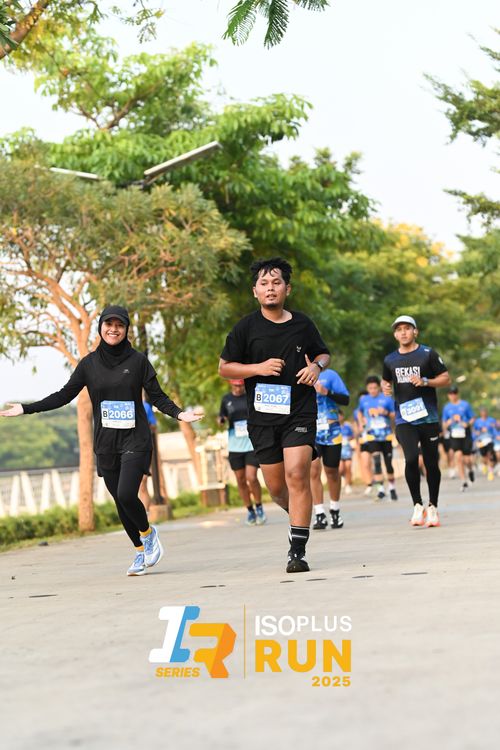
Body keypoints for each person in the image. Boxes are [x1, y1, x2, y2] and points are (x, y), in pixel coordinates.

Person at [0, 305, 203, 576]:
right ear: (101, 327)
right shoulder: (89, 364)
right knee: (120, 502)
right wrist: (26, 408)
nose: (113, 329)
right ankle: (139, 552)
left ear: (126, 329)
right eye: (109, 324)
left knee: (126, 493)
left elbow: (157, 396)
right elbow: (63, 396)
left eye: (119, 325)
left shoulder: (138, 361)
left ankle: (148, 534)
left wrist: (179, 414)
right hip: (106, 444)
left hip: (135, 439)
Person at [219, 258, 330, 573]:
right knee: (278, 489)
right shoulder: (245, 328)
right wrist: (258, 368)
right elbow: (224, 367)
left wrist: (316, 367)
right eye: (264, 284)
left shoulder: (303, 324)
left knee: (297, 474)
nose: (271, 289)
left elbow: (323, 354)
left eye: (276, 283)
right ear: (255, 291)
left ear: (287, 289)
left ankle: (297, 551)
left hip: (299, 411)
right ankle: (298, 517)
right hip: (262, 419)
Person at [381, 315, 451, 528]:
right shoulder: (390, 359)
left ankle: (433, 506)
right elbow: (385, 380)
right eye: (399, 329)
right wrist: (385, 388)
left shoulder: (428, 354)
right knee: (411, 458)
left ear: (415, 331)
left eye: (407, 328)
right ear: (395, 334)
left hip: (428, 417)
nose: (403, 332)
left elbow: (446, 379)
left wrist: (426, 381)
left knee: (431, 463)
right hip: (404, 418)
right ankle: (417, 505)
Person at [218, 379, 265, 525]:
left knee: (251, 477)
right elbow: (221, 416)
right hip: (235, 445)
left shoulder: (250, 395)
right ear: (231, 385)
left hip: (251, 444)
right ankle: (250, 510)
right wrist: (220, 420)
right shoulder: (226, 399)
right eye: (236, 386)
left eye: (241, 385)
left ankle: (259, 506)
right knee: (240, 479)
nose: (238, 388)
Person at [310, 368, 350, 530]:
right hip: (310, 431)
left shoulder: (330, 375)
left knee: (332, 472)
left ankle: (335, 510)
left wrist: (326, 391)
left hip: (331, 431)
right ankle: (319, 513)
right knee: (313, 470)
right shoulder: (300, 374)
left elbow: (345, 400)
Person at [357, 375, 398, 501]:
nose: (373, 390)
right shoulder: (364, 400)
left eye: (375, 388)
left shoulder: (386, 398)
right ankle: (380, 489)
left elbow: (395, 414)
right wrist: (361, 423)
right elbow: (359, 412)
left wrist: (385, 412)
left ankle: (392, 487)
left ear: (379, 388)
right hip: (372, 435)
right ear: (367, 388)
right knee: (376, 461)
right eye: (370, 388)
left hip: (386, 435)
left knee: (388, 463)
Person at [442, 386, 475, 492]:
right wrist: (447, 424)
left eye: (454, 393)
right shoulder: (447, 407)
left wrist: (467, 424)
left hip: (465, 434)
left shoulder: (465, 405)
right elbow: (444, 422)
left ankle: (470, 470)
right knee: (458, 456)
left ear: (457, 394)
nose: (453, 395)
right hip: (454, 434)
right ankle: (463, 481)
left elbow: (473, 418)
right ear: (448, 395)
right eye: (451, 394)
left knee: (467, 459)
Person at [472, 406, 497, 481]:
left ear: (487, 412)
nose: (484, 413)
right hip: (481, 440)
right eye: (482, 412)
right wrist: (477, 434)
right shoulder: (477, 421)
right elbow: (474, 431)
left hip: (490, 440)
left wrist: (494, 427)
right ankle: (484, 464)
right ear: (480, 413)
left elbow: (496, 429)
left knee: (490, 455)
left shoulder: (492, 420)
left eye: (485, 412)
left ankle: (490, 472)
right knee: (484, 456)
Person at [339, 410, 355, 495]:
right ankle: (342, 478)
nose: (339, 417)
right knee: (341, 468)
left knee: (348, 466)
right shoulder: (334, 427)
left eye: (340, 415)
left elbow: (352, 436)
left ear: (342, 416)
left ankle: (348, 485)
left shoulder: (347, 426)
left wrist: (347, 438)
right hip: (338, 449)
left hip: (347, 449)